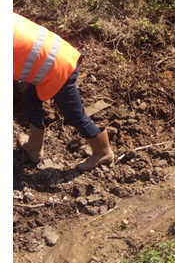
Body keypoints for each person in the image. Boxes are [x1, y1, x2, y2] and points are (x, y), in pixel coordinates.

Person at [13, 12, 114, 171]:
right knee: (31, 98)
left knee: (75, 116)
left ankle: (102, 152)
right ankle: (34, 147)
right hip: (59, 54)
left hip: (58, 70)